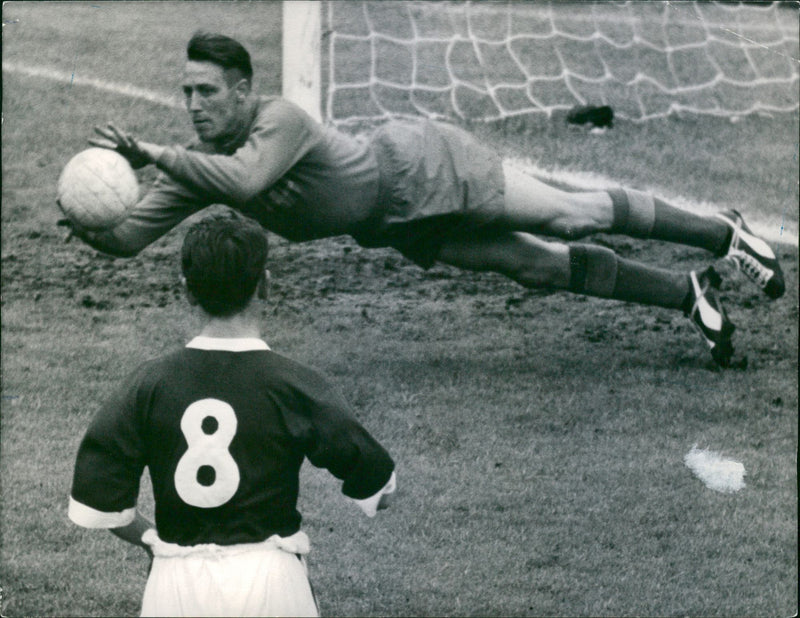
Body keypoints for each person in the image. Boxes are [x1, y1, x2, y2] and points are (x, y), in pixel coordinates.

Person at [64, 32, 786, 367]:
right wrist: (88, 217)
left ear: (243, 92)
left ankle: (722, 233)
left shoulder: (276, 120)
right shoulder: (195, 169)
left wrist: (152, 154)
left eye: (207, 92)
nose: (193, 105)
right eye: (186, 93)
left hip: (419, 166)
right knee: (531, 267)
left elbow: (250, 181)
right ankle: (686, 294)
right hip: (391, 224)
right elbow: (127, 236)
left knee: (574, 212)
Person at [68, 211, 396, 617]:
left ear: (187, 290)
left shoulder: (147, 384)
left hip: (176, 586)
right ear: (265, 286)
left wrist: (154, 540)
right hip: (272, 583)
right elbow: (379, 488)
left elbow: (99, 504)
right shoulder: (296, 385)